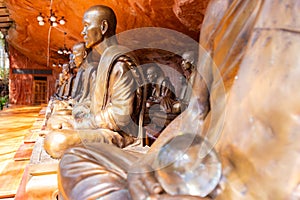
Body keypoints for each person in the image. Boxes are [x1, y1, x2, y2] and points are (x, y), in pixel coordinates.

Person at [44, 5, 146, 159]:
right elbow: (92, 102)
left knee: (56, 142)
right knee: (54, 122)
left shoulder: (120, 64)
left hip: (117, 134)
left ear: (103, 27)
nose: (82, 32)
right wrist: (74, 117)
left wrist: (79, 124)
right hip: (97, 124)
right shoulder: (104, 60)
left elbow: (120, 116)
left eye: (86, 26)